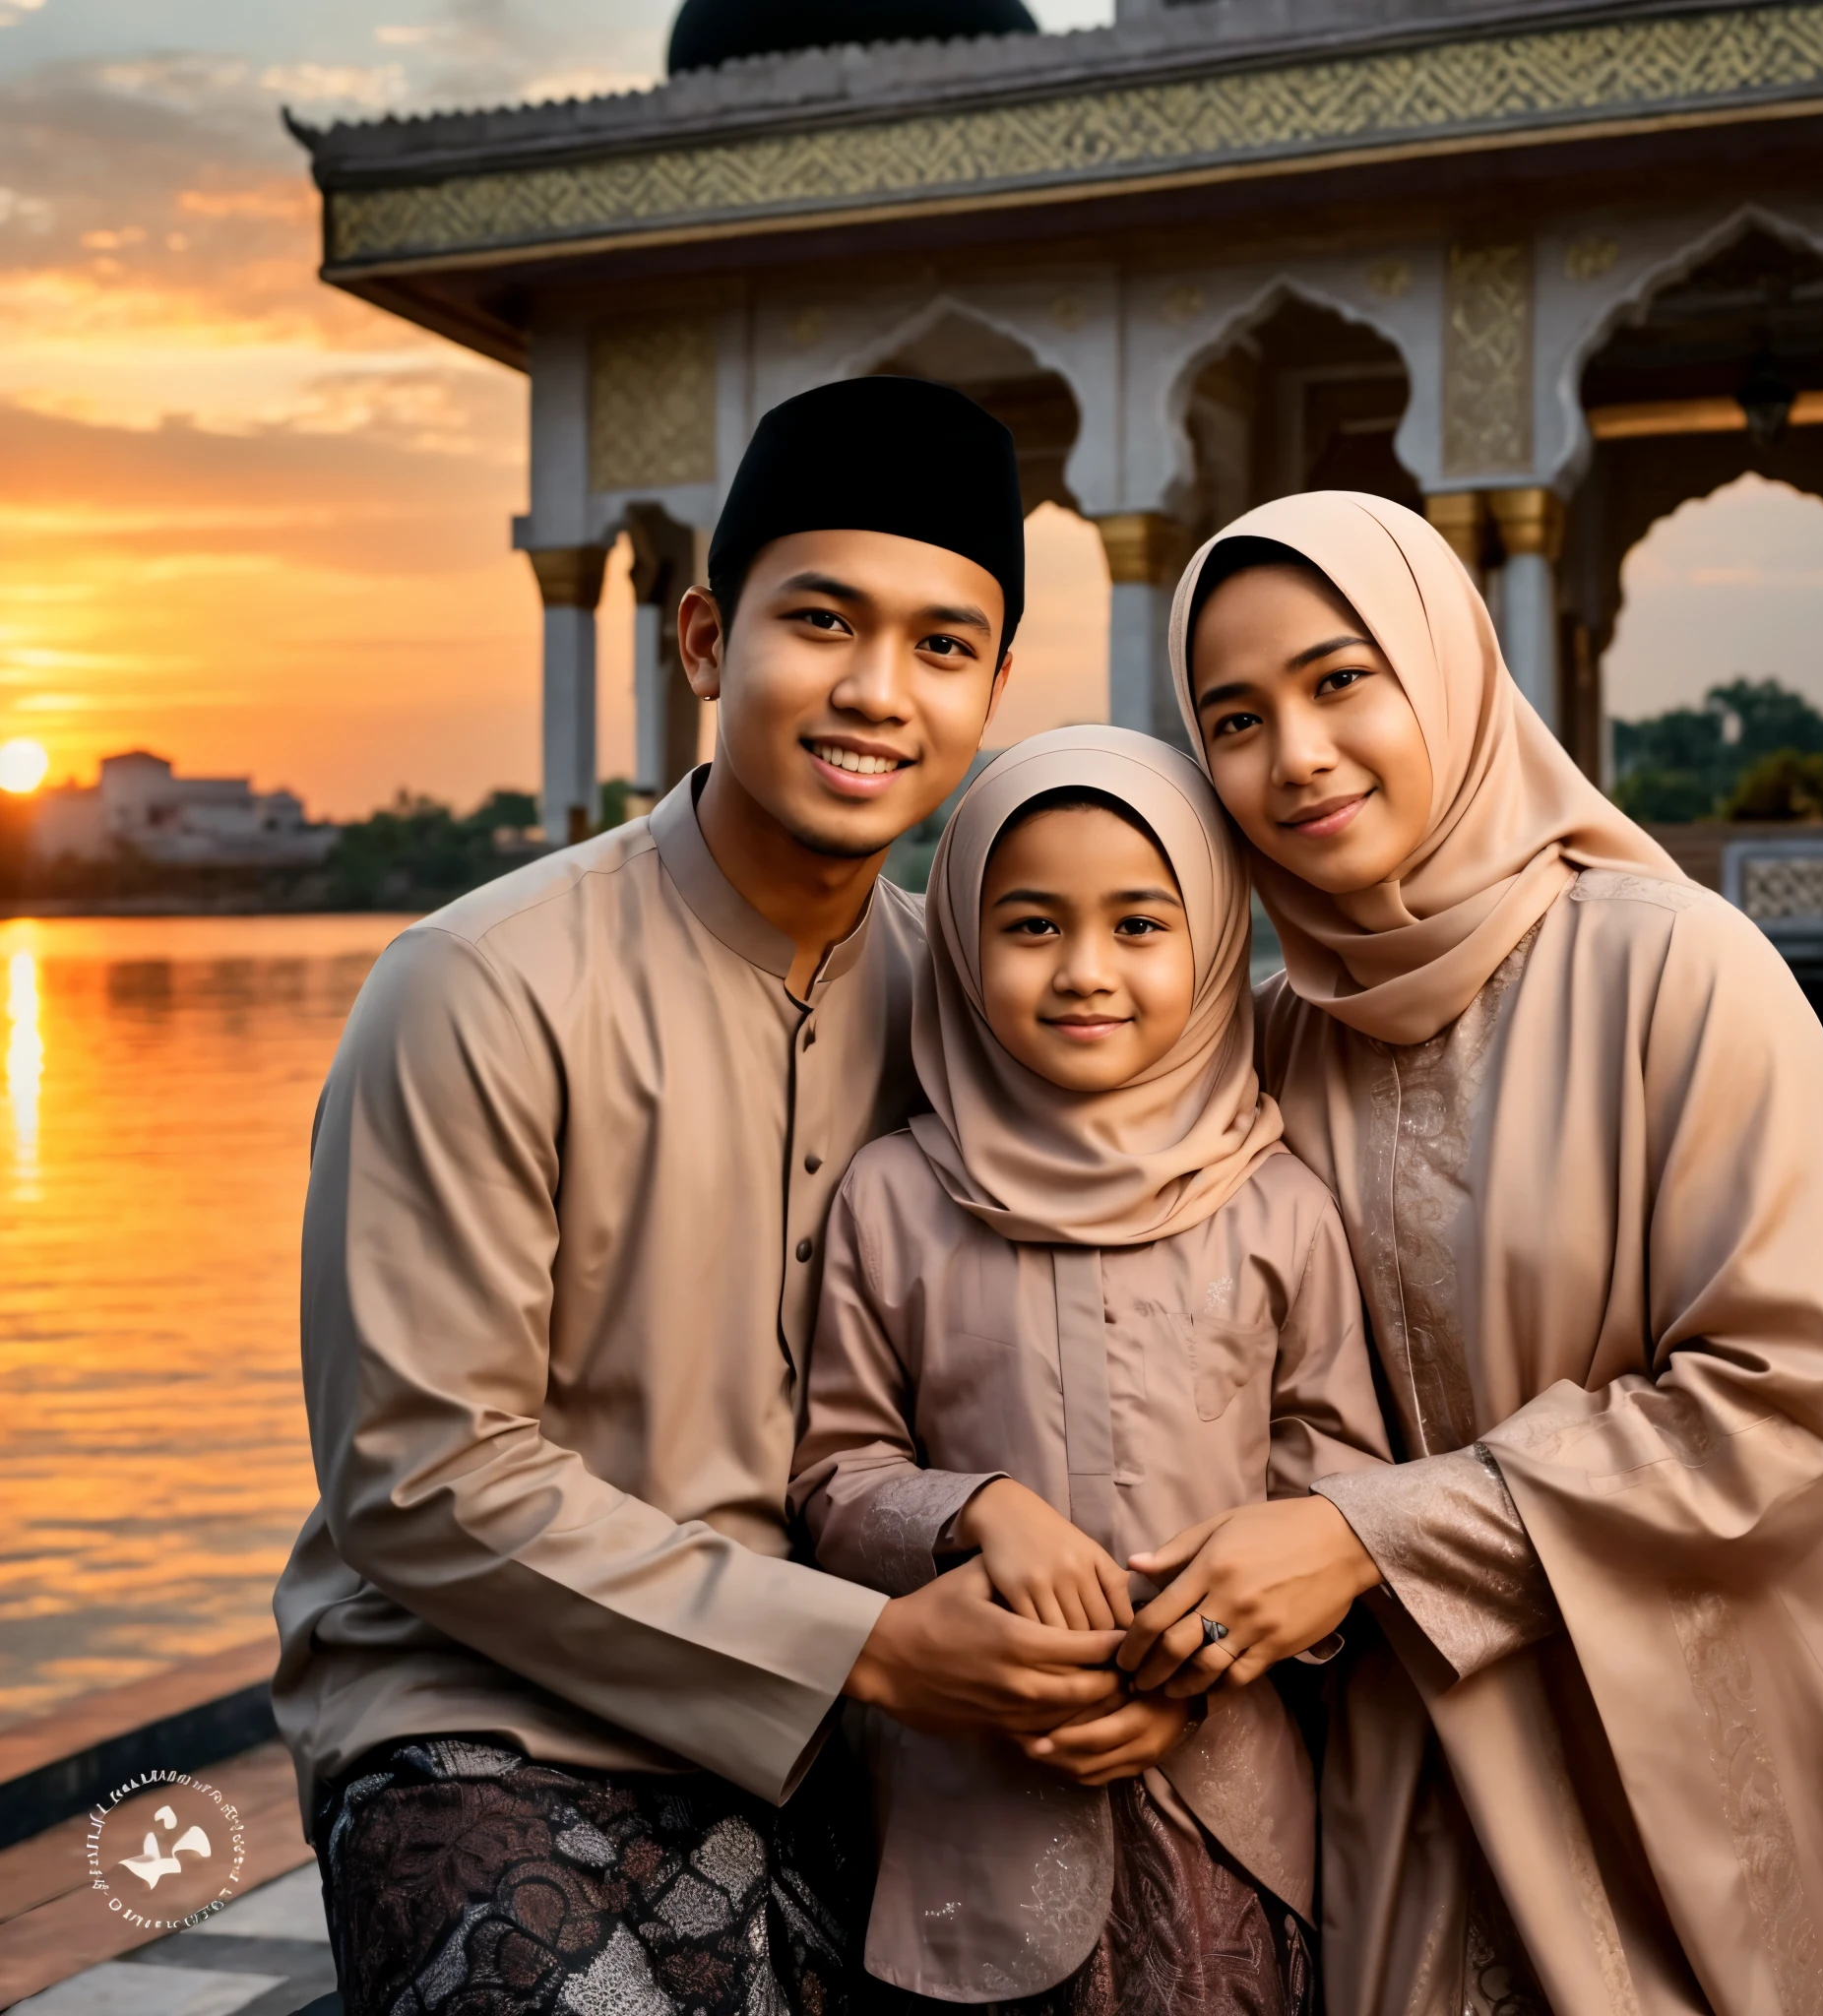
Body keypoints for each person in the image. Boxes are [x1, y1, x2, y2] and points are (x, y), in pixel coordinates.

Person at [272, 377, 1132, 2016]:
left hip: (865, 1730)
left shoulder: (968, 1015)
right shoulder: (480, 986)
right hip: (489, 1715)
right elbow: (420, 1475)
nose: (877, 693)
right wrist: (864, 1649)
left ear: (993, 688)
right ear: (704, 642)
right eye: (822, 622)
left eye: (944, 646)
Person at [1117, 493, 1823, 2016]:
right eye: (1233, 717)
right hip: (1407, 1790)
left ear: (1446, 667)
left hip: (1680, 1778)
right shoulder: (1270, 1041)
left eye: (1340, 679)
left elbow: (1789, 1395)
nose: (1294, 753)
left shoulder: (1674, 967)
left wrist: (1371, 1539)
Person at [790, 726, 1392, 2015]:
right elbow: (834, 1478)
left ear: (1217, 939)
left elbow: (1340, 1499)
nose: (1084, 973)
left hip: (1225, 1813)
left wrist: (1205, 1660)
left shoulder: (1277, 1206)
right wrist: (974, 1511)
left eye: (1138, 925)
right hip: (963, 1819)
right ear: (958, 942)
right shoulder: (895, 1197)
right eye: (1030, 927)